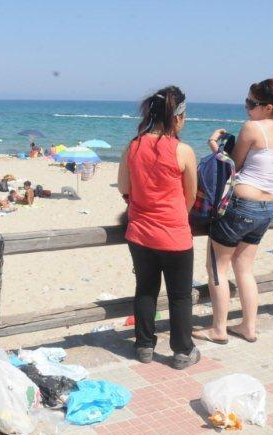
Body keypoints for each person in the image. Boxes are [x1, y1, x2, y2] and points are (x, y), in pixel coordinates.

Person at [194, 76, 273, 345]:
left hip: (240, 205)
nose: (247, 107)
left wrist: (214, 146)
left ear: (268, 107)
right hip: (266, 209)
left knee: (217, 267)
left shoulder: (253, 127)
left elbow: (233, 165)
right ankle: (249, 327)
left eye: (252, 103)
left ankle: (219, 328)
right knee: (245, 269)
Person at [117, 85, 199, 368]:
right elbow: (191, 195)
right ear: (177, 116)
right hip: (175, 235)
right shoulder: (183, 151)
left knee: (146, 289)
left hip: (140, 232)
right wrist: (175, 215)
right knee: (180, 295)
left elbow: (124, 188)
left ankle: (144, 346)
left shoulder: (133, 145)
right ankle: (182, 351)